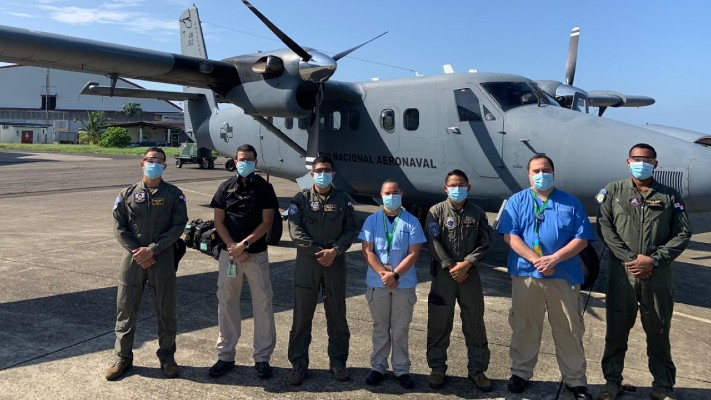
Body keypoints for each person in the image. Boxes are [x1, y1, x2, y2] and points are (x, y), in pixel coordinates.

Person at [596, 143, 691, 400]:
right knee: (616, 329)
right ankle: (611, 382)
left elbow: (682, 233)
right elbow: (605, 228)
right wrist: (630, 259)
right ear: (628, 162)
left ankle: (662, 385)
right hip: (622, 274)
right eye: (636, 158)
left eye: (647, 159)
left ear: (655, 164)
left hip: (657, 275)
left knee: (659, 330)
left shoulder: (671, 196)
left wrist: (654, 260)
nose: (641, 162)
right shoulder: (614, 192)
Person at [496, 154, 594, 400]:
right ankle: (520, 373)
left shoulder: (571, 203)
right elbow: (510, 236)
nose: (541, 174)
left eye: (546, 169)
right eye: (536, 170)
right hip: (526, 273)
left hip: (563, 274)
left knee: (569, 328)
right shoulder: (517, 201)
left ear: (553, 172)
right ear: (528, 175)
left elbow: (581, 239)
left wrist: (553, 259)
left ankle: (575, 380)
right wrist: (536, 260)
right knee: (524, 325)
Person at [106, 147, 188, 381]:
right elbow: (119, 227)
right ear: (142, 164)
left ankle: (167, 357)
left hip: (162, 259)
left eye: (159, 161)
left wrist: (152, 250)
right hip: (132, 260)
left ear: (165, 166)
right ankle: (122, 358)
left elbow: (178, 225)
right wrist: (138, 251)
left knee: (166, 310)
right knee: (125, 310)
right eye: (150, 160)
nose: (154, 163)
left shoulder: (175, 194)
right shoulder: (127, 194)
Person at [208, 144, 278, 380]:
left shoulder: (265, 188)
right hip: (230, 254)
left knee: (263, 304)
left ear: (255, 162)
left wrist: (244, 245)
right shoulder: (225, 187)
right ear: (234, 161)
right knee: (227, 303)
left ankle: (262, 358)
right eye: (241, 159)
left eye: (249, 159)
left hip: (255, 254)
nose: (244, 162)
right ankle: (225, 355)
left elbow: (267, 222)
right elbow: (219, 221)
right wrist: (233, 248)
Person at [287, 155, 359, 385]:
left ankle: (338, 362)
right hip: (308, 264)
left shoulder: (343, 199)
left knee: (337, 315)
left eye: (326, 170)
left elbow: (351, 229)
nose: (322, 173)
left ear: (333, 174)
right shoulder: (300, 199)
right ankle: (298, 364)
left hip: (335, 264)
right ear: (312, 174)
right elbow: (295, 231)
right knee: (301, 317)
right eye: (319, 170)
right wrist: (319, 251)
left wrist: (335, 250)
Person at [424, 169, 492, 392]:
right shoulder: (436, 211)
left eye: (461, 185)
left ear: (468, 187)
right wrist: (450, 265)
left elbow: (485, 241)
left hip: (470, 275)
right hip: (444, 276)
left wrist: (468, 263)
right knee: (438, 323)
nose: (457, 189)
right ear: (445, 188)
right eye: (453, 185)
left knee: (474, 323)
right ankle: (437, 368)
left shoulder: (478, 213)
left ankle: (477, 370)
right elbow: (433, 242)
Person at [358, 179, 426, 389]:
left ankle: (401, 369)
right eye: (387, 192)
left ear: (402, 193)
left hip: (402, 284)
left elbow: (414, 253)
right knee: (380, 327)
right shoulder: (371, 220)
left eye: (395, 192)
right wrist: (383, 273)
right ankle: (378, 367)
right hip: (377, 282)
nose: (392, 195)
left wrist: (394, 275)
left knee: (400, 329)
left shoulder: (411, 221)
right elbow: (367, 250)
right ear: (381, 194)